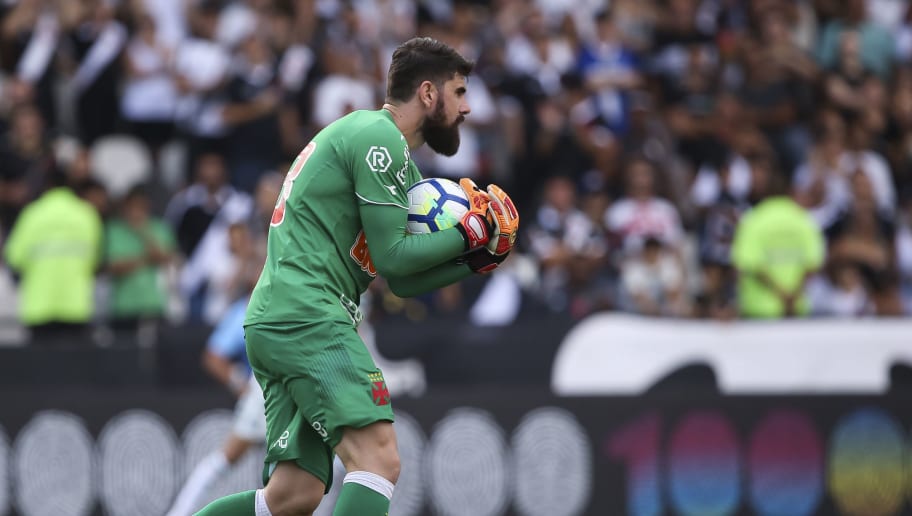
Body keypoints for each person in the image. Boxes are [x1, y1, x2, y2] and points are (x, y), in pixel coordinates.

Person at [195, 37, 519, 516]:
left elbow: (403, 281)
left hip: (283, 316)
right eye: (460, 91)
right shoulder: (378, 137)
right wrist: (472, 232)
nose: (468, 107)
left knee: (294, 495)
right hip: (310, 314)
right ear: (428, 94)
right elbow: (391, 257)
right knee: (379, 458)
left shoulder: (394, 158)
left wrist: (472, 260)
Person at [166, 296, 264, 516]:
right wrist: (242, 386)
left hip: (299, 387)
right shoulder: (250, 307)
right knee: (227, 458)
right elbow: (214, 357)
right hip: (270, 393)